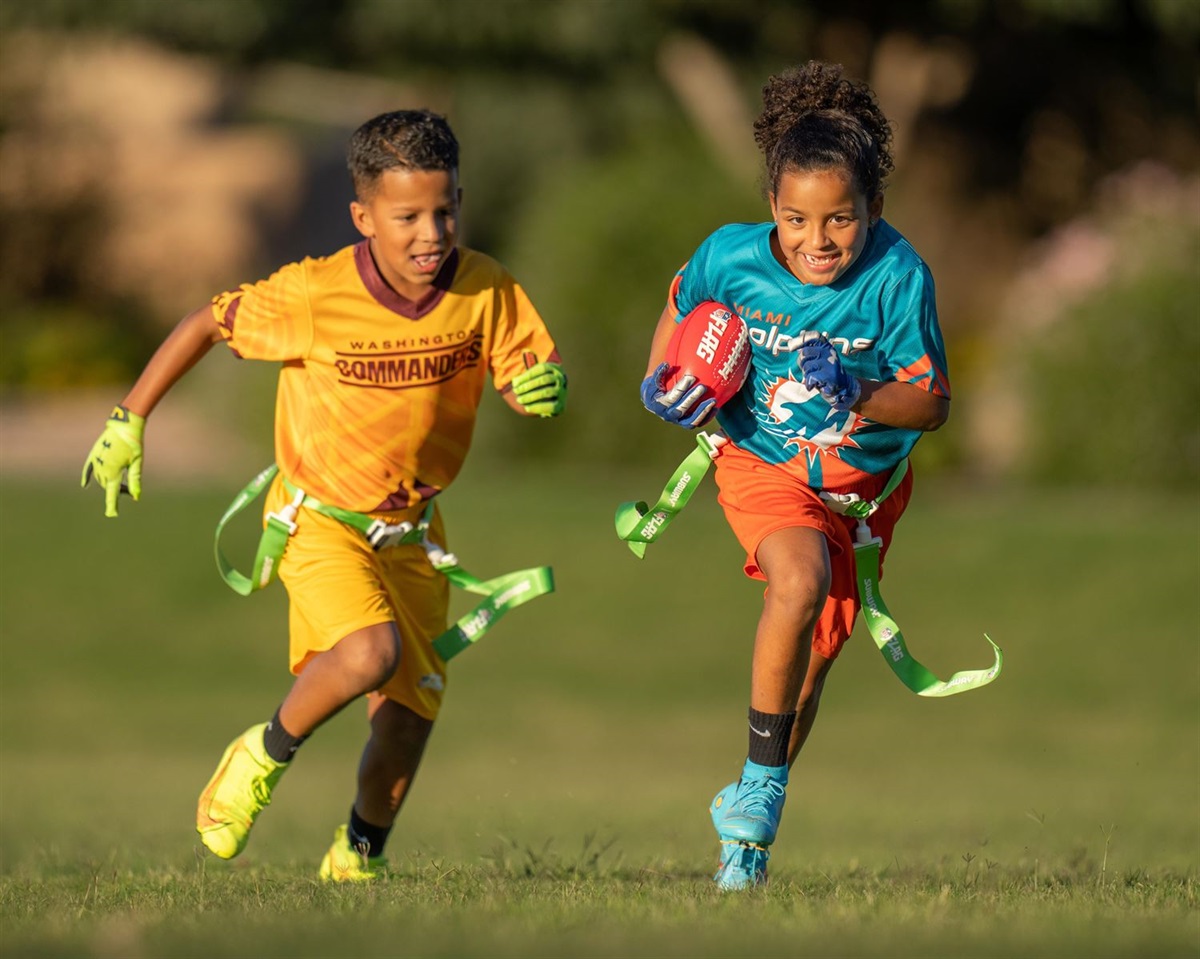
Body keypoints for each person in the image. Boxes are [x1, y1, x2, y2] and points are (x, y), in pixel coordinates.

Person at [80, 109, 567, 880]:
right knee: (369, 652)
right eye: (407, 217)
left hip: (413, 532)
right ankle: (261, 754)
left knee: (405, 728)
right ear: (363, 216)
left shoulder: (486, 287)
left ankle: (357, 858)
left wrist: (538, 389)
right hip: (319, 520)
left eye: (444, 211)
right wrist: (129, 418)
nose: (430, 233)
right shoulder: (314, 294)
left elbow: (524, 369)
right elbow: (207, 322)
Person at [639, 61, 950, 890]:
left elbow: (931, 405)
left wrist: (860, 392)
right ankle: (765, 791)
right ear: (770, 208)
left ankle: (747, 833)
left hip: (864, 496)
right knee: (798, 577)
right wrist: (663, 378)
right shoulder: (731, 257)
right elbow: (683, 299)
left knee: (810, 665)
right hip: (761, 459)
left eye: (841, 219)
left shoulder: (897, 277)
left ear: (874, 212)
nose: (817, 241)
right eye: (795, 219)